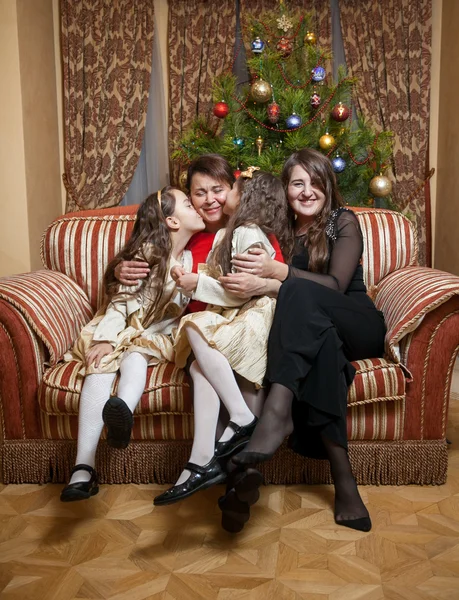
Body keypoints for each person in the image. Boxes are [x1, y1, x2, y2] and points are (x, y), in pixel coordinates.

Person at [224, 149, 386, 533]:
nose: (307, 191)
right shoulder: (278, 232)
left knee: (293, 291)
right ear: (286, 189)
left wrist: (278, 275)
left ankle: (276, 411)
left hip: (357, 323)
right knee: (323, 346)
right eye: (298, 183)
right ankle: (343, 479)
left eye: (315, 182)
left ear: (328, 186)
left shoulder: (339, 223)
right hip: (323, 335)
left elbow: (334, 285)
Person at [153, 168, 290, 509]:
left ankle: (235, 473)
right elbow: (147, 254)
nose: (211, 199)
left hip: (240, 326)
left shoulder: (246, 233)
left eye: (219, 189)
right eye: (198, 194)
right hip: (215, 334)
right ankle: (200, 462)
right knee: (201, 367)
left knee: (232, 377)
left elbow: (250, 288)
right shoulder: (191, 233)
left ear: (236, 192)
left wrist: (196, 283)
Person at [60, 187, 205, 502]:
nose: (196, 206)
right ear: (171, 221)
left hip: (153, 334)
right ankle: (82, 468)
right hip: (121, 325)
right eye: (187, 203)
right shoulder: (148, 253)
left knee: (137, 355)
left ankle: (121, 411)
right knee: (100, 365)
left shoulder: (193, 259)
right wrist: (104, 339)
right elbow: (121, 303)